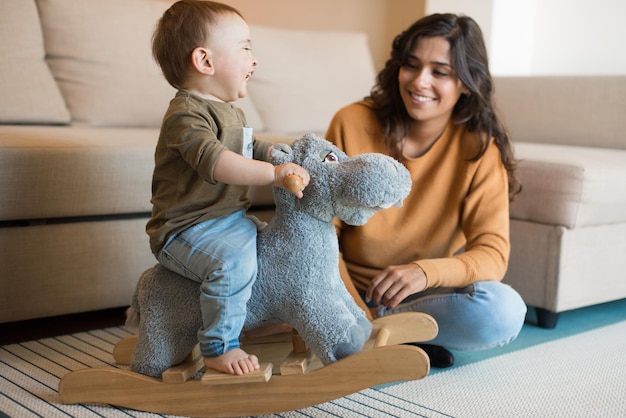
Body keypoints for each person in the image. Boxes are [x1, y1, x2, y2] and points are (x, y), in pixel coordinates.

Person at [326, 13, 527, 368]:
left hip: (421, 299)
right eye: (412, 65)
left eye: (440, 72)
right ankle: (392, 338)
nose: (419, 82)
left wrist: (423, 272)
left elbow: (493, 253)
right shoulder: (351, 122)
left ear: (466, 83)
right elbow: (320, 230)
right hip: (342, 295)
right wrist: (357, 311)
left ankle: (389, 338)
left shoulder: (479, 147)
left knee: (504, 310)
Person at [147, 0, 309, 375]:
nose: (255, 60)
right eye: (246, 47)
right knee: (231, 263)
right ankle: (220, 346)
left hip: (228, 219)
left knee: (275, 250)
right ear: (205, 62)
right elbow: (218, 163)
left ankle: (261, 320)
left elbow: (248, 147)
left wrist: (278, 153)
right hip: (185, 229)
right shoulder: (185, 115)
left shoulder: (230, 111)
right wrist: (272, 175)